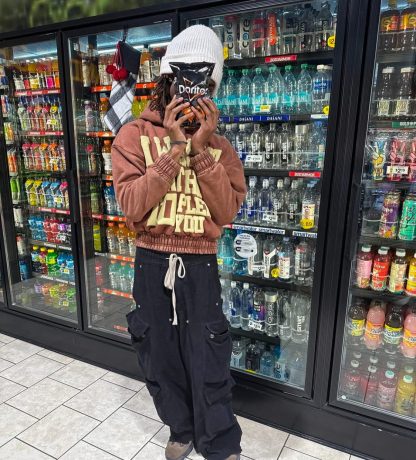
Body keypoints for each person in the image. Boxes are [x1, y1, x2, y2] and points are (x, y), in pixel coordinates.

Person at [112, 25, 247, 460]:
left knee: (209, 356)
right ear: (167, 81)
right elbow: (132, 205)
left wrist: (202, 150)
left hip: (201, 266)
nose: (191, 97)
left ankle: (218, 441)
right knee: (159, 356)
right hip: (151, 262)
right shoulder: (133, 136)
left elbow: (226, 212)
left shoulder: (221, 147)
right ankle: (181, 428)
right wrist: (173, 150)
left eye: (203, 87)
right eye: (183, 83)